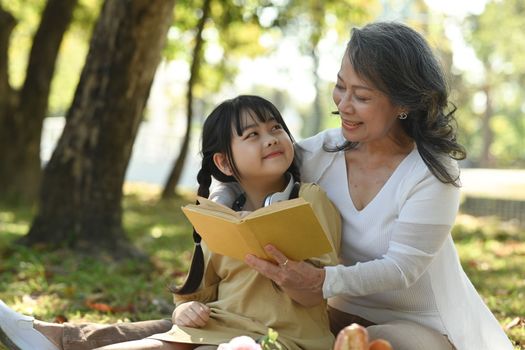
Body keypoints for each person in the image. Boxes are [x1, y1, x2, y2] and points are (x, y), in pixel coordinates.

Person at [224, 22, 512, 350]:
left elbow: (402, 268)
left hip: (426, 325)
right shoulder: (321, 153)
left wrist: (321, 281)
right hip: (337, 310)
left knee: (361, 345)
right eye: (340, 86)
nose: (344, 105)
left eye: (361, 96)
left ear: (404, 104)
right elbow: (245, 175)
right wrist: (222, 205)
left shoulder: (432, 171)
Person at [0, 95, 341, 350]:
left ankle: (52, 339)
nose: (270, 138)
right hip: (219, 328)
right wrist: (186, 310)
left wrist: (288, 275)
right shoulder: (220, 218)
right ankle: (47, 337)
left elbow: (323, 290)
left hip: (283, 340)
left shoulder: (309, 199)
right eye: (251, 135)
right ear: (223, 161)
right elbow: (195, 296)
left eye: (276, 127)